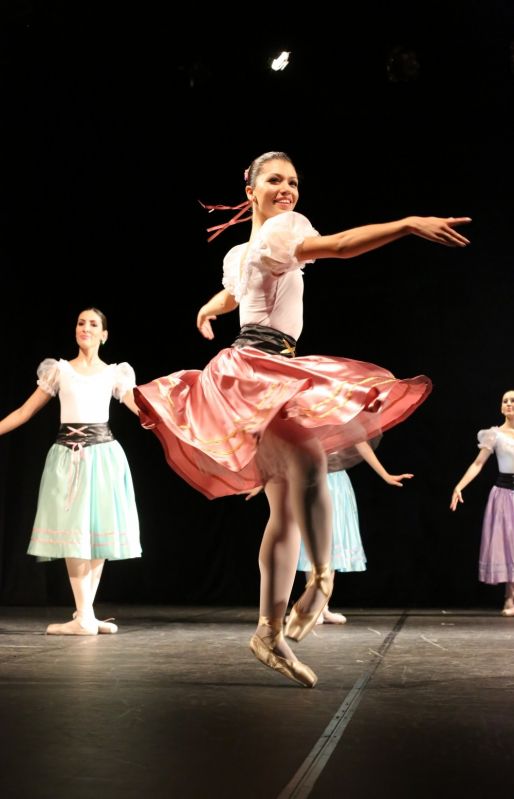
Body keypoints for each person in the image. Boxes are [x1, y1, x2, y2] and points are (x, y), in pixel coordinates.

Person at [136, 150, 470, 687]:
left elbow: (236, 292)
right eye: (274, 180)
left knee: (286, 504)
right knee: (311, 462)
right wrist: (407, 224)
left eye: (293, 181)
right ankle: (321, 581)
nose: (286, 188)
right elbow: (336, 247)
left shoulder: (252, 248)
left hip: (266, 366)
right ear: (251, 191)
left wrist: (208, 308)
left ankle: (269, 631)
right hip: (257, 368)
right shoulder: (277, 235)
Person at [0, 307, 141, 635]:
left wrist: (178, 425)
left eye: (93, 324)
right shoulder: (59, 371)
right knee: (74, 534)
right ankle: (85, 615)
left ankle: (84, 616)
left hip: (104, 455)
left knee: (97, 534)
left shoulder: (114, 374)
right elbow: (25, 410)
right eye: (81, 323)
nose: (86, 328)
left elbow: (140, 409)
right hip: (68, 456)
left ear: (104, 335)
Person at [298, 446, 413, 625]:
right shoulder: (306, 420)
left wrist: (385, 475)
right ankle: (312, 608)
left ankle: (321, 607)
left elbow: (362, 445)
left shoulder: (340, 420)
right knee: (314, 546)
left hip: (336, 482)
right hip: (311, 480)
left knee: (332, 544)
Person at [450, 390, 514, 616]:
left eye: (513, 401)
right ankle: (510, 598)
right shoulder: (495, 435)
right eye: (505, 401)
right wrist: (460, 485)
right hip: (505, 494)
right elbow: (478, 464)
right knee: (508, 545)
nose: (508, 404)